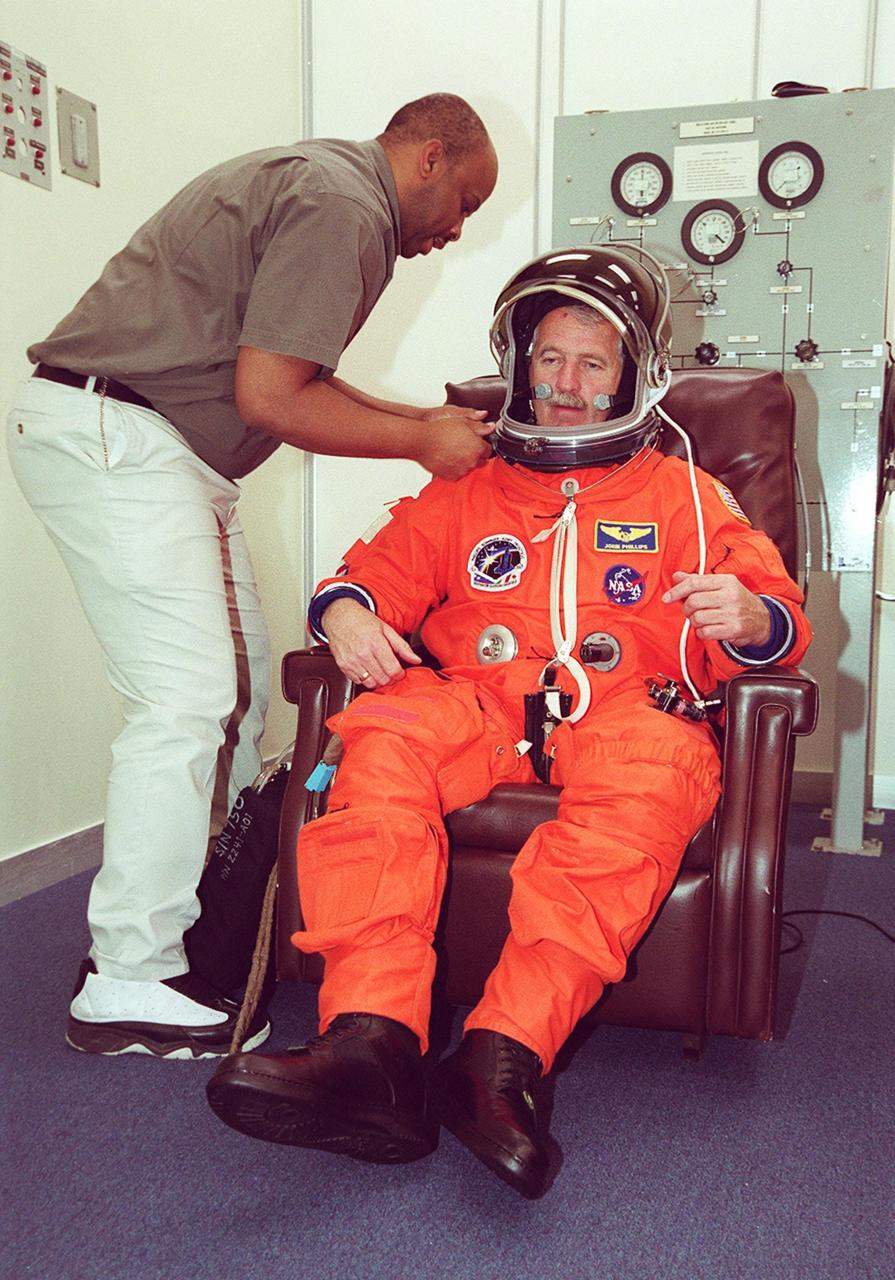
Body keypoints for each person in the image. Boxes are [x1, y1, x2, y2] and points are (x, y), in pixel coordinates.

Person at [205, 245, 812, 1196]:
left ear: (632, 375)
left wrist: (750, 616)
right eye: (549, 360)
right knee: (380, 746)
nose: (566, 385)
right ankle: (372, 1048)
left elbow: (773, 609)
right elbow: (373, 571)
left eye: (593, 363)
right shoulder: (469, 483)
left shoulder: (684, 494)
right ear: (519, 363)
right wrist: (348, 610)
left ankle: (498, 1061)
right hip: (476, 701)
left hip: (624, 712)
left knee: (650, 787)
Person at [6, 94, 498, 1060]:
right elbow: (270, 396)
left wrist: (415, 420)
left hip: (162, 452)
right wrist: (417, 443)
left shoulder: (322, 184)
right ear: (430, 157)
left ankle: (190, 933)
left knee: (235, 688)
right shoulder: (344, 207)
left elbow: (290, 375)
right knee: (186, 701)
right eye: (466, 204)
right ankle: (128, 977)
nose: (454, 231)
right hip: (123, 441)